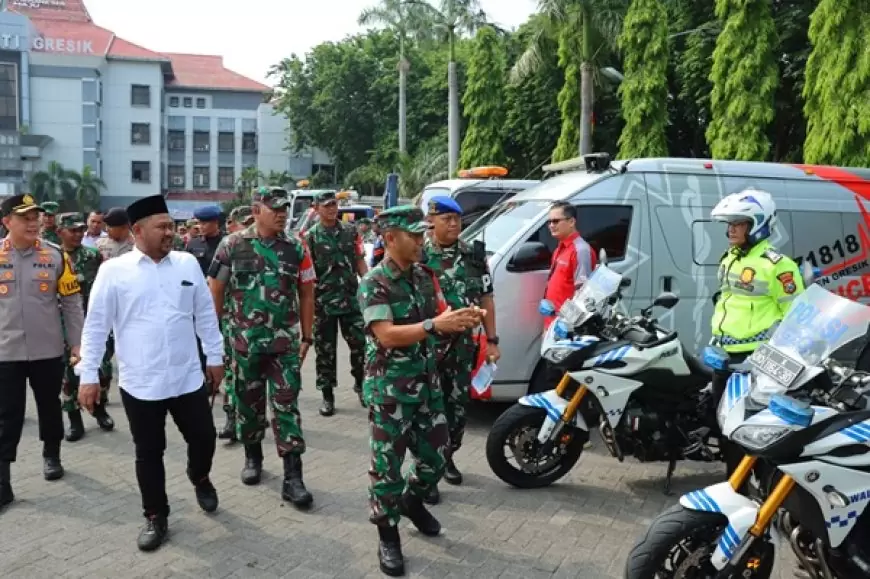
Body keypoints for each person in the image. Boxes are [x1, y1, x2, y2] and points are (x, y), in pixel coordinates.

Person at [76, 195, 223, 551]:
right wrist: (89, 376)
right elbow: (96, 326)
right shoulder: (114, 271)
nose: (169, 232)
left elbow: (204, 313)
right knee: (149, 452)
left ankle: (199, 475)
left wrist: (215, 356)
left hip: (188, 377)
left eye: (171, 226)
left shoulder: (188, 264)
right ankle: (156, 516)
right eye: (162, 227)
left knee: (204, 437)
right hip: (141, 383)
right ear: (138, 230)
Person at [358, 205, 483, 576]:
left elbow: (440, 316)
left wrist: (461, 319)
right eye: (413, 235)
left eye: (421, 233)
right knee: (387, 468)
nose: (420, 240)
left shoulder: (425, 277)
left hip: (427, 385)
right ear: (390, 238)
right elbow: (386, 335)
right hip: (391, 390)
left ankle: (412, 501)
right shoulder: (375, 282)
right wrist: (434, 323)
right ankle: (388, 534)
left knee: (438, 456)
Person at [207, 186, 316, 507]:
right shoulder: (232, 245)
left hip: (284, 346)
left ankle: (293, 477)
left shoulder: (296, 247)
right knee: (248, 407)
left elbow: (307, 292)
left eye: (285, 208)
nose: (282, 213)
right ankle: (253, 458)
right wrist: (215, 340)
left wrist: (307, 337)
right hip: (243, 345)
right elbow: (215, 290)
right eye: (275, 208)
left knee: (286, 407)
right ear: (256, 210)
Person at [709, 189, 804, 474]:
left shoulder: (778, 265)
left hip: (756, 361)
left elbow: (795, 315)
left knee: (750, 430)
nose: (730, 230)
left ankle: (754, 484)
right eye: (729, 224)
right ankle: (732, 481)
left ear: (757, 225)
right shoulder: (730, 258)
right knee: (723, 424)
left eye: (738, 223)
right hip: (724, 357)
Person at [0, 195, 84, 509]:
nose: (34, 222)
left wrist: (77, 343)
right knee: (7, 415)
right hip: (5, 352)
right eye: (25, 217)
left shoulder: (55, 257)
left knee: (49, 407)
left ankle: (52, 455)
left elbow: (72, 304)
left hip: (47, 350)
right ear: (7, 221)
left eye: (35, 217)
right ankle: (3, 478)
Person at [421, 197, 499, 504]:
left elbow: (487, 298)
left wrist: (493, 340)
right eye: (447, 219)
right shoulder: (420, 255)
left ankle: (447, 457)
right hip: (427, 347)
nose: (454, 224)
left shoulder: (474, 256)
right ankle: (426, 472)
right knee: (427, 410)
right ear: (432, 221)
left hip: (462, 348)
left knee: (456, 410)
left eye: (457, 219)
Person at [304, 191, 367, 416]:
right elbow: (307, 274)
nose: (332, 209)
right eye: (327, 205)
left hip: (350, 300)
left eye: (334, 205)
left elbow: (359, 260)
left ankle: (361, 385)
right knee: (325, 351)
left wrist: (368, 287)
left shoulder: (350, 231)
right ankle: (327, 396)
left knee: (360, 345)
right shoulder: (311, 236)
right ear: (317, 208)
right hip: (324, 303)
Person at [56, 213, 114, 441]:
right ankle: (74, 420)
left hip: (93, 322)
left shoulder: (92, 256)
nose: (78, 234)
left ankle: (99, 409)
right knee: (68, 375)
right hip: (63, 326)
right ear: (61, 232)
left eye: (81, 230)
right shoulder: (54, 257)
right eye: (73, 230)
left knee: (102, 369)